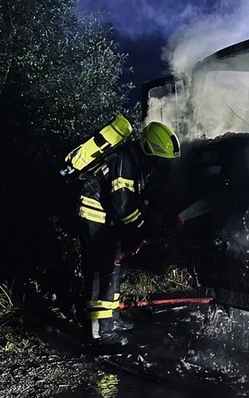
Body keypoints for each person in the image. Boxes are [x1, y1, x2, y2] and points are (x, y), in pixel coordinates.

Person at [77, 119, 181, 346]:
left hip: (108, 219)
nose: (162, 165)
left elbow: (140, 199)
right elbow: (123, 205)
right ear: (149, 151)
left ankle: (111, 318)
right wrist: (141, 229)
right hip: (95, 216)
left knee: (112, 267)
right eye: (160, 160)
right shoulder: (125, 160)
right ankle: (100, 333)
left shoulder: (139, 163)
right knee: (100, 270)